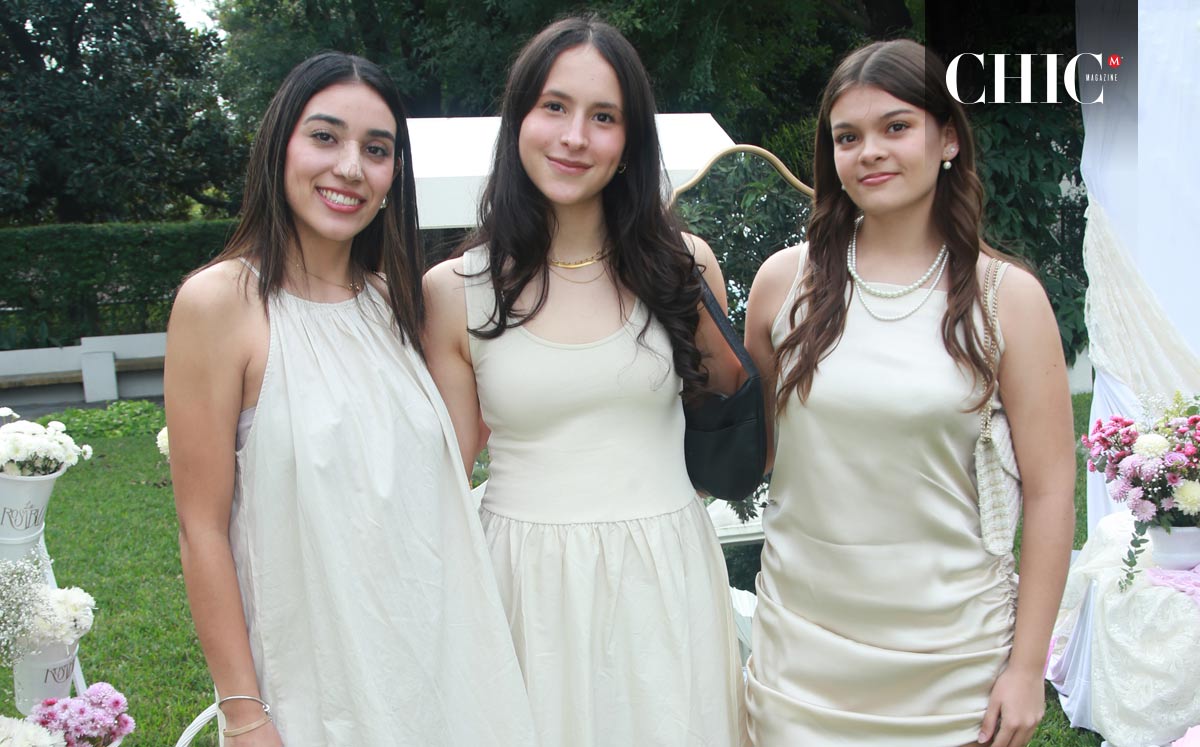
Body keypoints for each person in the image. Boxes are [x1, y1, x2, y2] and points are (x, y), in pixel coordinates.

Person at [164, 52, 535, 746]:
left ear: (395, 175)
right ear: (280, 147)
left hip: (439, 664)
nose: (350, 168)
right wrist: (244, 713)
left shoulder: (401, 307)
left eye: (377, 149)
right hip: (311, 685)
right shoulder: (220, 304)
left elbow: (440, 475)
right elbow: (201, 530)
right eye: (325, 137)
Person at [741, 39, 1075, 747]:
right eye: (847, 137)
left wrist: (1026, 668)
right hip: (803, 653)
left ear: (948, 138)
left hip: (951, 660)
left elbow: (1051, 492)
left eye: (896, 127)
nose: (870, 151)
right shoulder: (782, 285)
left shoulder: (1007, 299)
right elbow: (757, 453)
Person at [423, 15, 745, 747]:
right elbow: (443, 476)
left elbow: (724, 413)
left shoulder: (686, 267)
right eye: (555, 107)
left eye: (604, 116)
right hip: (524, 583)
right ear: (519, 120)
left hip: (665, 574)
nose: (574, 136)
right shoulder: (454, 290)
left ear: (630, 142)